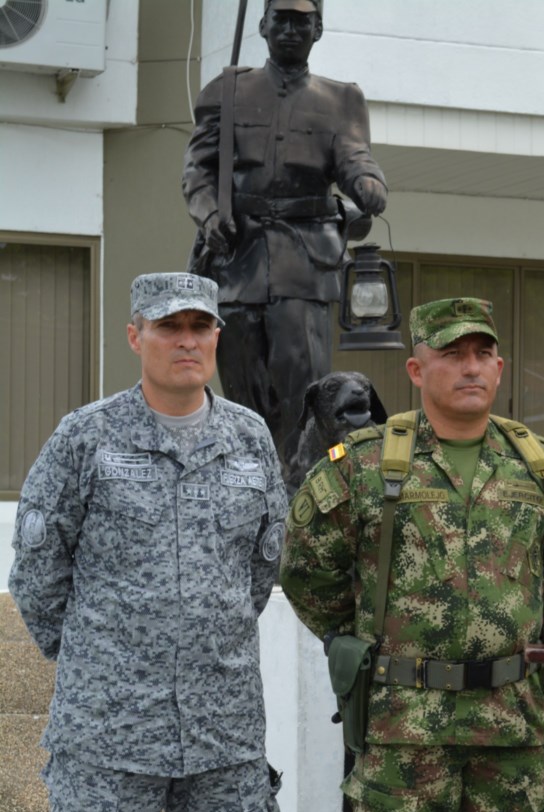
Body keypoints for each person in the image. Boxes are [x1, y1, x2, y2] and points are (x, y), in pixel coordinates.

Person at [280, 297, 544, 812]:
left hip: (510, 731)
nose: (469, 368)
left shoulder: (543, 472)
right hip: (403, 734)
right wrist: (367, 650)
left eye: (482, 354)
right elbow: (307, 572)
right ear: (417, 369)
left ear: (500, 367)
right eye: (451, 354)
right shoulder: (362, 467)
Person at [9, 272, 286, 812]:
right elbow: (37, 566)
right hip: (106, 737)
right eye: (169, 327)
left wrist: (202, 645)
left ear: (217, 337)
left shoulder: (249, 438)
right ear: (135, 336)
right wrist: (97, 662)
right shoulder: (87, 437)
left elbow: (261, 566)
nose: (186, 341)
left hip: (223, 735)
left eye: (200, 327)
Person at [182, 0, 387, 468]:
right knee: (241, 390)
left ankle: (304, 485)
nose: (291, 30)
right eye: (282, 19)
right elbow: (198, 169)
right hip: (238, 258)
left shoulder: (341, 99)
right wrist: (211, 215)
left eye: (302, 21)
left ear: (318, 29)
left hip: (304, 262)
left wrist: (367, 184)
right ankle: (245, 478)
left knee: (304, 392)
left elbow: (354, 155)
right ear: (263, 25)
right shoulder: (226, 90)